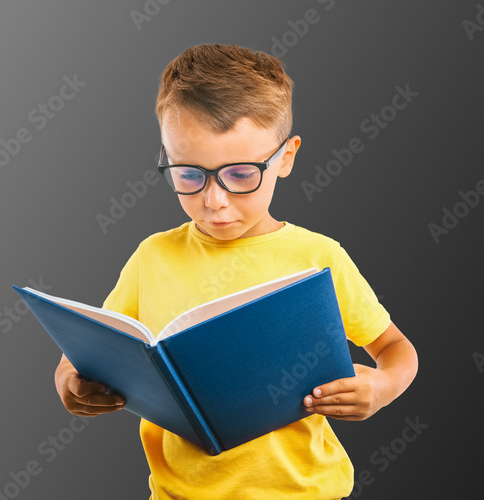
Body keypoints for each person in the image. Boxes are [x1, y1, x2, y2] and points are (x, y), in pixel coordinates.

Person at [53, 43, 419, 499]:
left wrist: (383, 386)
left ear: (285, 157)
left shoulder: (317, 256)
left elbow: (395, 347)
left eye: (242, 175)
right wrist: (69, 381)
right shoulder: (153, 256)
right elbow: (90, 349)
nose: (215, 201)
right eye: (188, 175)